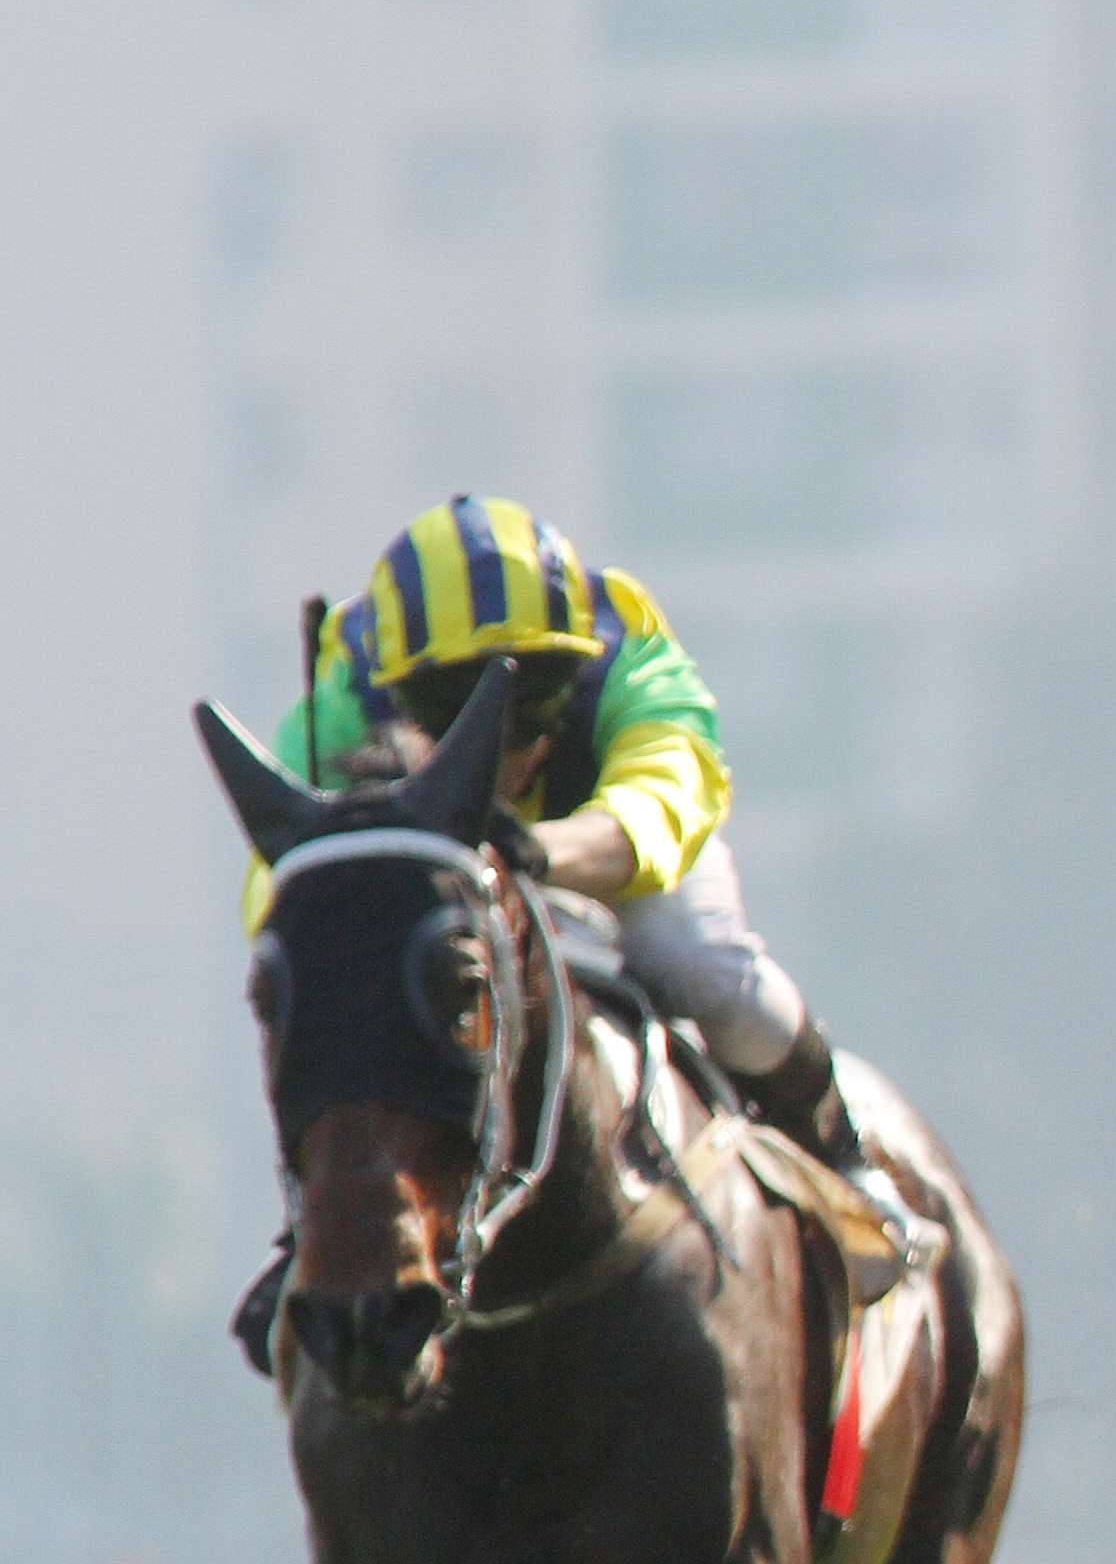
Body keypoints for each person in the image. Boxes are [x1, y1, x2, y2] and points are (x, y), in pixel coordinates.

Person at [232, 496, 890, 1370]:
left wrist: (542, 851)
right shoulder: (345, 696)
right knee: (360, 996)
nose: (497, 740)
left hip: (605, 854)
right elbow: (282, 894)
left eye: (534, 694)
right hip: (438, 893)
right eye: (450, 703)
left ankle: (840, 1155)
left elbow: (666, 800)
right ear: (396, 688)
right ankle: (313, 1238)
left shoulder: (631, 650)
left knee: (701, 965)